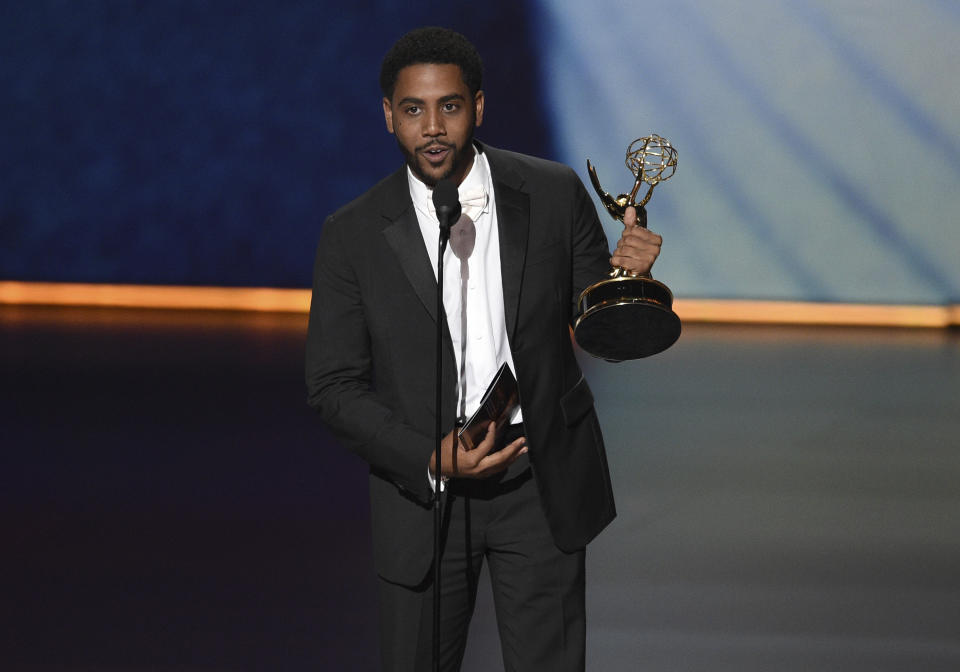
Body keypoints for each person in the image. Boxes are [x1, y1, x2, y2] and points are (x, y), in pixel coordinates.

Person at [305, 26, 662, 672]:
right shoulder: (352, 235)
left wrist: (627, 284)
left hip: (538, 479)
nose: (433, 127)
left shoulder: (551, 194)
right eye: (413, 109)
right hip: (426, 496)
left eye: (450, 106)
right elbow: (332, 385)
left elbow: (602, 334)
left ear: (479, 106)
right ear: (388, 116)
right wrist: (429, 456)